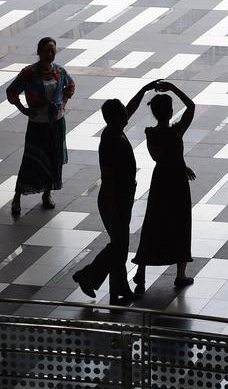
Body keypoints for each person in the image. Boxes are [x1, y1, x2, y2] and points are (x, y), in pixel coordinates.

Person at [72, 81, 161, 306]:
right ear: (115, 117)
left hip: (121, 197)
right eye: (122, 113)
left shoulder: (114, 130)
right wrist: (113, 205)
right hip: (115, 199)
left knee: (119, 245)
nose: (126, 115)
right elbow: (108, 177)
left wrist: (143, 90)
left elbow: (130, 108)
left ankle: (118, 288)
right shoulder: (111, 141)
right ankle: (89, 275)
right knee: (119, 245)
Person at [132, 81, 196, 293]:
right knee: (180, 222)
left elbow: (163, 156)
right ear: (170, 111)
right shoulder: (176, 132)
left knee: (154, 222)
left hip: (160, 178)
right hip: (176, 179)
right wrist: (174, 88)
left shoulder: (150, 133)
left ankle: (141, 271)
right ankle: (180, 273)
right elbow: (191, 107)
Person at [6, 37, 76, 216]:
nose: (50, 54)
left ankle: (47, 193)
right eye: (47, 51)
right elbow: (12, 91)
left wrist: (63, 102)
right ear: (39, 52)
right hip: (37, 125)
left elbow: (71, 85)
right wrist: (24, 109)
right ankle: (17, 197)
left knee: (54, 160)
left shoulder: (59, 71)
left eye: (53, 50)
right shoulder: (29, 73)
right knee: (31, 161)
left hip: (56, 124)